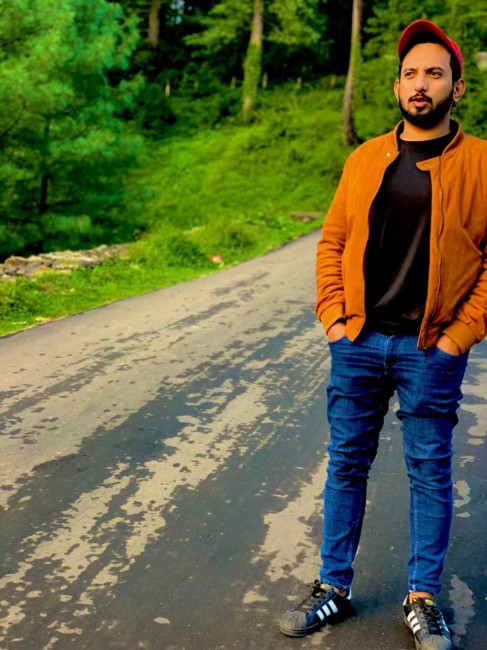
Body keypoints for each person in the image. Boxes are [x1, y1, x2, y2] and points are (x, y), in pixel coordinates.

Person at [279, 19, 487, 650]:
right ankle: (332, 587)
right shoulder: (366, 158)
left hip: (431, 349)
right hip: (360, 343)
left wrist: (459, 335)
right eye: (410, 73)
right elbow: (333, 241)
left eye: (434, 73)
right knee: (347, 463)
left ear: (456, 87)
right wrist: (335, 320)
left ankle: (422, 598)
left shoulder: (481, 163)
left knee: (429, 472)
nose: (420, 83)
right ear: (397, 86)